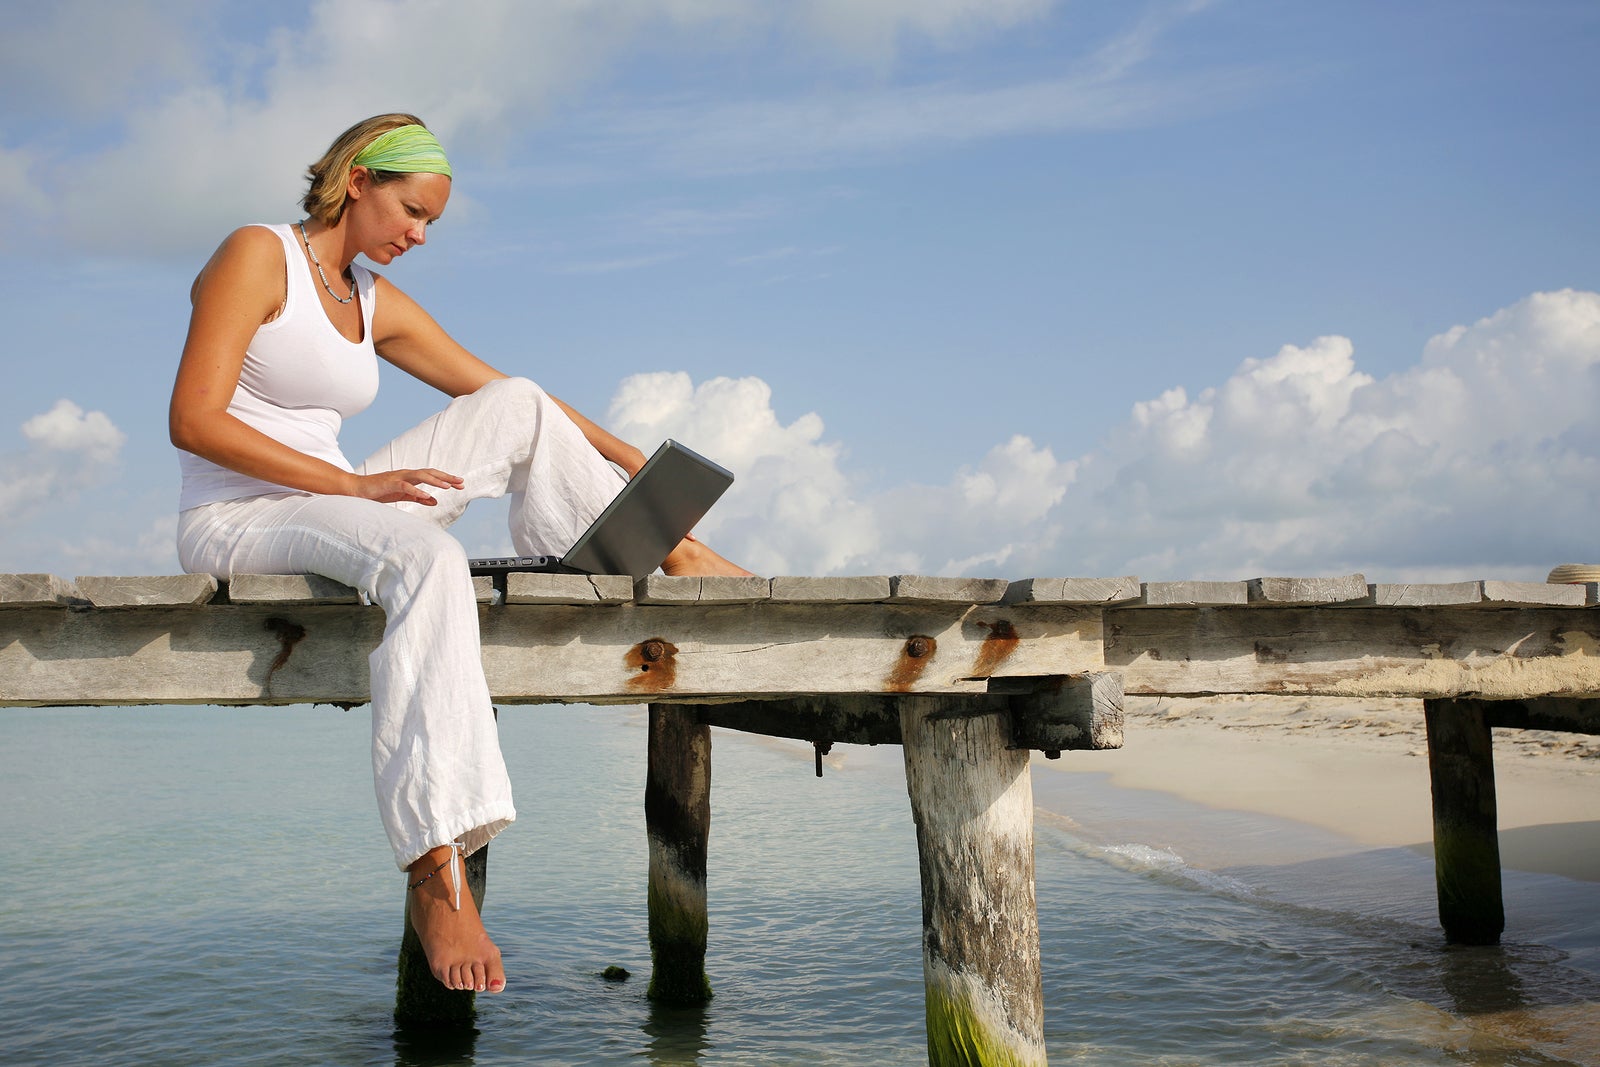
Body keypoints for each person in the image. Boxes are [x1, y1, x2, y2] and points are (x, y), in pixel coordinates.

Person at [169, 113, 750, 996]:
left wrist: (624, 455)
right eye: (411, 210)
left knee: (517, 401)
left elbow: (505, 394)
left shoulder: (368, 300)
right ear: (357, 178)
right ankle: (434, 870)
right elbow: (195, 420)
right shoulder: (256, 255)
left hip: (339, 500)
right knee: (430, 563)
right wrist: (356, 489)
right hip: (242, 516)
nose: (419, 234)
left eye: (432, 222)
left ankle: (671, 551)